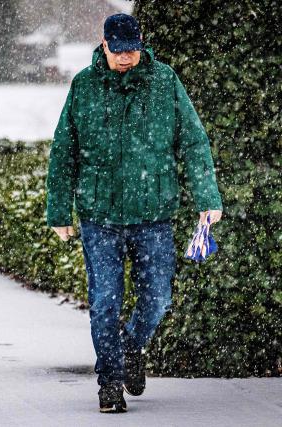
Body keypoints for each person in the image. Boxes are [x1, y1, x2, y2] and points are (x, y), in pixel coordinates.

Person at [46, 14, 222, 413]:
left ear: (141, 45)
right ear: (104, 45)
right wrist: (59, 212)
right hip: (99, 216)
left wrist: (207, 197)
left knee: (158, 299)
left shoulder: (164, 81)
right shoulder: (84, 86)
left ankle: (130, 346)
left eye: (132, 50)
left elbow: (193, 141)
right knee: (105, 302)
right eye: (119, 50)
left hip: (153, 213)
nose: (126, 58)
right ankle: (110, 382)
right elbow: (64, 152)